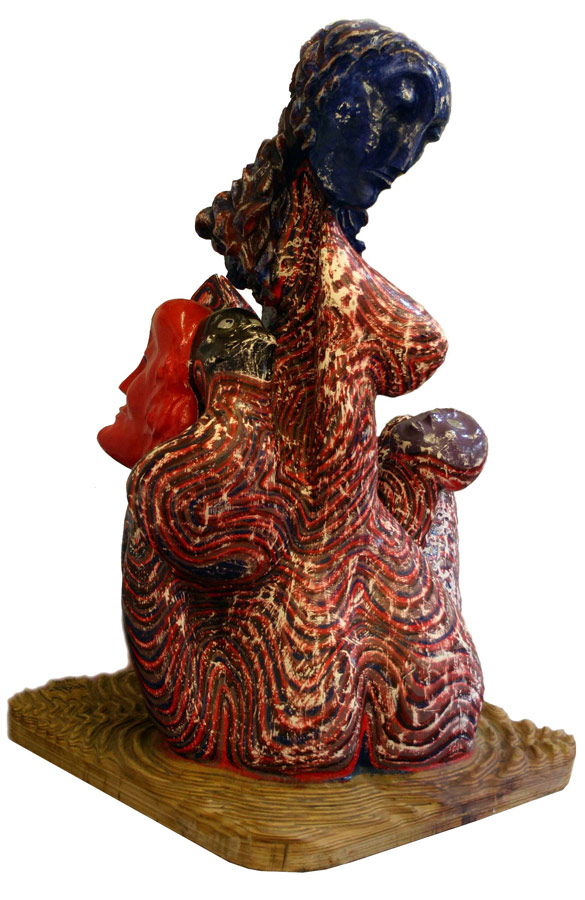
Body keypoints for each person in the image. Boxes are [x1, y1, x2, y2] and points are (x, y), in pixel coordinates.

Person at [119, 21, 487, 778]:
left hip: (335, 540)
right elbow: (420, 345)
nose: (402, 153)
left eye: (422, 135)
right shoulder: (325, 265)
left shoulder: (311, 251)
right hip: (317, 535)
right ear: (330, 110)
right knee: (370, 683)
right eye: (391, 117)